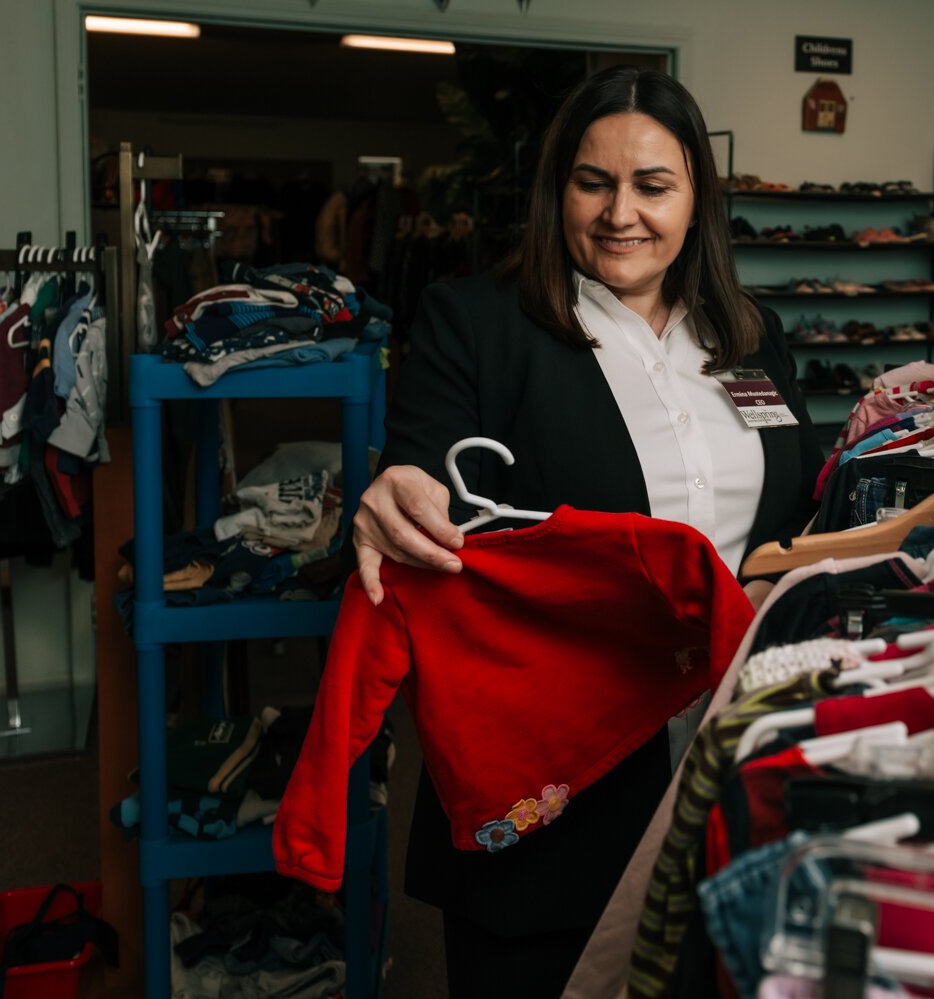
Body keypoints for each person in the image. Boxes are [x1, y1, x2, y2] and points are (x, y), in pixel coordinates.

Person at [350, 65, 822, 996]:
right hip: (555, 796)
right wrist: (389, 492)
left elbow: (797, 507)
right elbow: (418, 478)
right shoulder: (475, 323)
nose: (620, 214)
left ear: (696, 200)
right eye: (593, 182)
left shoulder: (751, 336)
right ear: (556, 191)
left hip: (729, 763)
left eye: (653, 185)